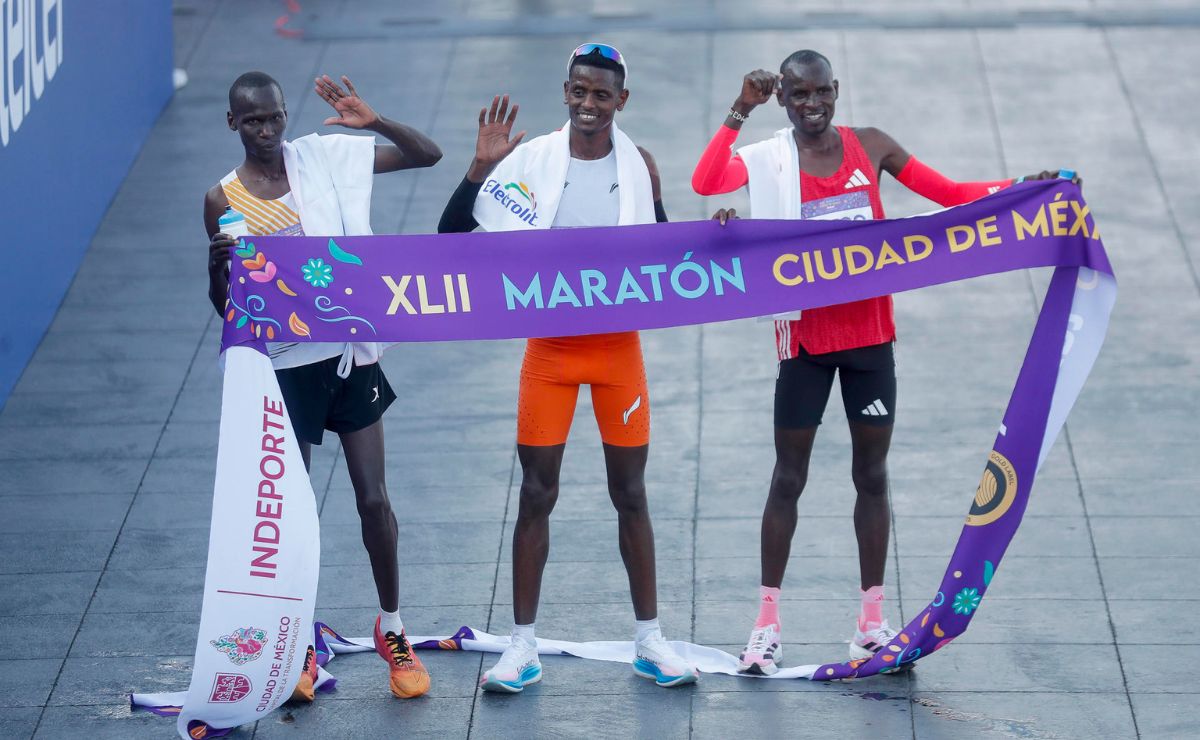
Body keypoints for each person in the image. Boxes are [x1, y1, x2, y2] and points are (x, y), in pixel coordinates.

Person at [691, 50, 1080, 676]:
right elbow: (708, 183)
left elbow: (950, 195)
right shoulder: (769, 157)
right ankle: (766, 626)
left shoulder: (869, 146)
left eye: (821, 92)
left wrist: (1022, 188)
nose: (811, 105)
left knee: (871, 477)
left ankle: (871, 625)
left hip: (869, 340)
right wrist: (740, 109)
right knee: (788, 478)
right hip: (806, 342)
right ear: (783, 99)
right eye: (798, 95)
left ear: (836, 91)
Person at [438, 43, 698, 693]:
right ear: (566, 91)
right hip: (549, 352)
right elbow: (450, 239)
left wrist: (715, 233)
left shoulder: (638, 165)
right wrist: (479, 170)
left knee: (630, 493)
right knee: (536, 493)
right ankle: (521, 647)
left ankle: (650, 641)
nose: (588, 104)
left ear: (621, 100)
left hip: (617, 352)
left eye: (601, 94)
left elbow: (667, 252)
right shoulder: (528, 161)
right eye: (579, 91)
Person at [203, 71, 442, 699]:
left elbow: (426, 156)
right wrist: (216, 272)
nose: (266, 130)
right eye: (252, 121)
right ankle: (299, 644)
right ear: (232, 123)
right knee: (295, 515)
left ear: (285, 115)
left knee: (374, 501)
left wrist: (376, 121)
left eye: (274, 117)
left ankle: (392, 627)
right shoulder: (223, 199)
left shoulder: (324, 160)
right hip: (285, 372)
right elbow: (228, 308)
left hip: (348, 356)